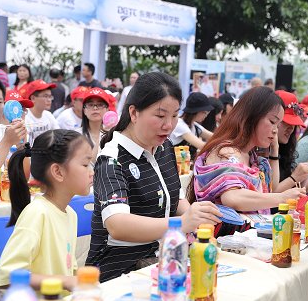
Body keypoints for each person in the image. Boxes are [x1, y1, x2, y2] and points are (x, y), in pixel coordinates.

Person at [86, 72, 221, 282]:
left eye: (175, 115)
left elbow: (174, 200)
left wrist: (199, 219)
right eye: (160, 116)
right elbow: (117, 224)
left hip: (163, 261)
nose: (168, 125)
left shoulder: (164, 147)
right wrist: (182, 223)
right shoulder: (111, 158)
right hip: (119, 271)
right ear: (134, 113)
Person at [187, 87, 305, 228]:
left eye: (278, 124)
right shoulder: (227, 151)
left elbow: (269, 189)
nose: (275, 130)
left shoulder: (250, 154)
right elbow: (232, 197)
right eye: (272, 122)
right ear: (251, 117)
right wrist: (283, 198)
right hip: (215, 243)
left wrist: (274, 149)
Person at [0, 129, 93, 291]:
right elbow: (7, 274)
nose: (92, 172)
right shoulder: (37, 213)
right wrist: (64, 282)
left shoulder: (71, 214)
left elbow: (68, 269)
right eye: (84, 164)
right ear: (58, 172)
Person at [272, 90, 308, 189]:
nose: (291, 128)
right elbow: (268, 194)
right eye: (286, 122)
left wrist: (306, 172)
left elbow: (295, 191)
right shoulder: (259, 152)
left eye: (293, 124)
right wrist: (295, 177)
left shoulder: (284, 149)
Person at [169, 92, 214, 159]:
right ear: (194, 112)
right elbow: (202, 146)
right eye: (204, 112)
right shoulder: (180, 125)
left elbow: (214, 137)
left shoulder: (194, 126)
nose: (206, 115)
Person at [19, 79, 60, 145]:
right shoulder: (24, 117)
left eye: (50, 96)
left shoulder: (48, 115)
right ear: (33, 98)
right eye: (46, 96)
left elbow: (59, 135)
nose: (49, 100)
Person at [78, 87, 111, 161]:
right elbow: (87, 163)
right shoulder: (76, 135)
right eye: (90, 104)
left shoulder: (114, 134)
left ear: (107, 109)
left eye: (100, 104)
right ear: (84, 110)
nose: (95, 108)